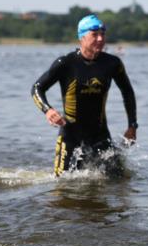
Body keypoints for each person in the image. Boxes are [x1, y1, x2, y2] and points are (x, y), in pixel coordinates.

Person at [31, 14, 138, 177]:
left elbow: (128, 92)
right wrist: (48, 110)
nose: (101, 38)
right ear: (82, 37)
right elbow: (37, 88)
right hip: (71, 137)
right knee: (62, 186)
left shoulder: (112, 64)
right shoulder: (66, 63)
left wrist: (132, 125)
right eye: (94, 34)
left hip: (101, 135)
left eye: (103, 34)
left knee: (119, 182)